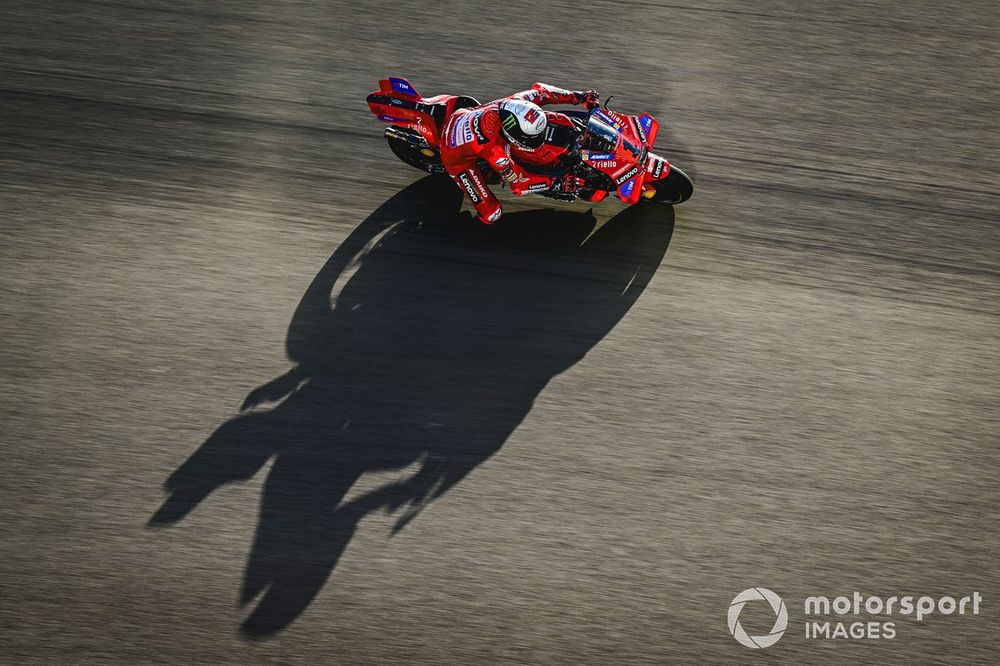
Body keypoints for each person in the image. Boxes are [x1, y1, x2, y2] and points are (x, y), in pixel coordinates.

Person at [439, 83, 600, 224]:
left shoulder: (517, 102)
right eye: (534, 138)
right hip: (454, 156)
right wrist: (556, 183)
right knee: (492, 214)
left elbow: (542, 91)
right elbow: (518, 185)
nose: (540, 139)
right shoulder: (497, 153)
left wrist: (579, 97)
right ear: (511, 136)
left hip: (464, 114)